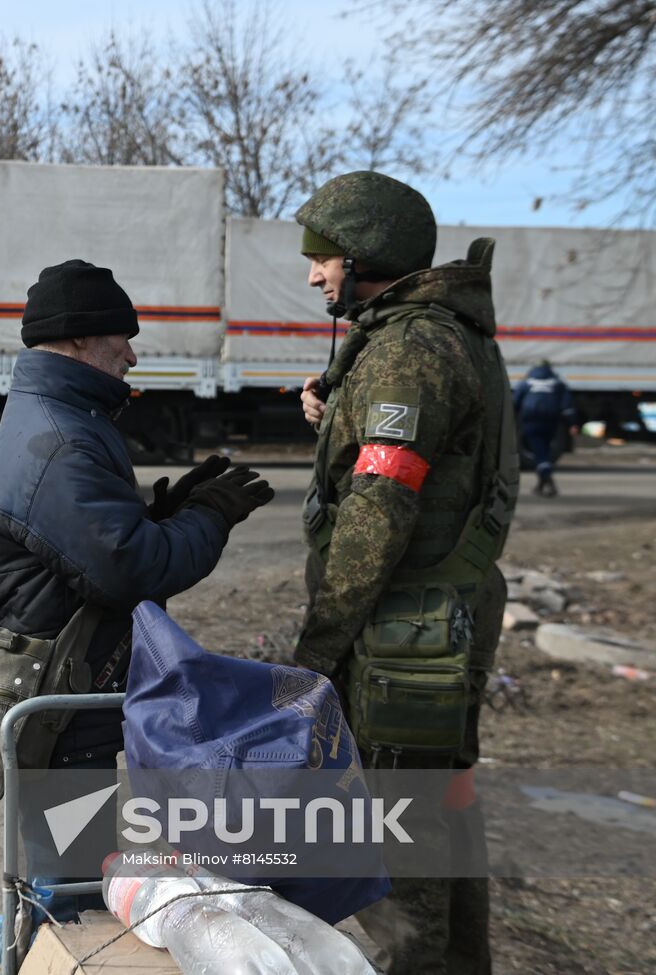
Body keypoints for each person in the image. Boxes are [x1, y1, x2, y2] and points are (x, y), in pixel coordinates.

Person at [0, 259, 274, 912]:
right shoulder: (60, 441)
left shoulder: (56, 413)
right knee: (71, 892)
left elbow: (83, 548)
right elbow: (130, 568)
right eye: (122, 337)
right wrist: (208, 516)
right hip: (61, 713)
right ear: (80, 339)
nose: (133, 354)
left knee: (69, 876)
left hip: (66, 696)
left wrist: (164, 513)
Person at [293, 172, 518, 974]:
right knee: (442, 811)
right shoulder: (425, 336)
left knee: (395, 848)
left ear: (363, 255)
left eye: (322, 256)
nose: (313, 273)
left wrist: (316, 650)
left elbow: (379, 507)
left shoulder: (409, 348)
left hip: (404, 636)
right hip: (434, 620)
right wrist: (337, 403)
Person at [513, 360, 578, 497]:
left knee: (539, 451)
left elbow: (515, 402)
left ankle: (548, 482)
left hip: (531, 420)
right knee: (545, 450)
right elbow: (567, 406)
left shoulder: (527, 383)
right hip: (551, 421)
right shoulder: (557, 384)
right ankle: (542, 484)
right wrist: (572, 423)